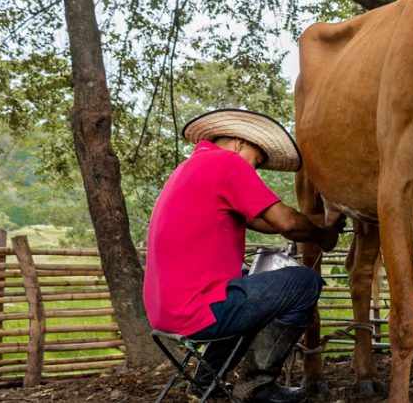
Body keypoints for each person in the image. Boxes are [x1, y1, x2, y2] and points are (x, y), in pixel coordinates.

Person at [143, 109, 338, 403]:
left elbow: (265, 221)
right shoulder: (228, 163)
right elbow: (286, 223)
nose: (254, 171)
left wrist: (316, 220)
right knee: (305, 283)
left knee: (253, 288)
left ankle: (204, 384)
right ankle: (258, 386)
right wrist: (323, 235)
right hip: (197, 312)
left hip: (165, 312)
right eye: (257, 161)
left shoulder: (191, 168)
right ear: (239, 143)